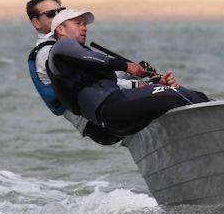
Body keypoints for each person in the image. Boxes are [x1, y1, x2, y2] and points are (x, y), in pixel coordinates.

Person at [46, 8, 208, 137]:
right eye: (78, 23)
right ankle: (219, 119)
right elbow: (93, 58)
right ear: (61, 29)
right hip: (113, 108)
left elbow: (115, 85)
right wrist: (127, 66)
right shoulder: (61, 46)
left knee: (171, 98)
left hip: (113, 122)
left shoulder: (75, 64)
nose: (84, 28)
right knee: (185, 95)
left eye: (85, 24)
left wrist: (155, 85)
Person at [26, 0, 122, 145]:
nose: (57, 16)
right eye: (51, 14)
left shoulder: (68, 46)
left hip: (101, 112)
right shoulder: (48, 53)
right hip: (95, 121)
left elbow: (104, 74)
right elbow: (92, 81)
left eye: (61, 11)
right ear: (36, 23)